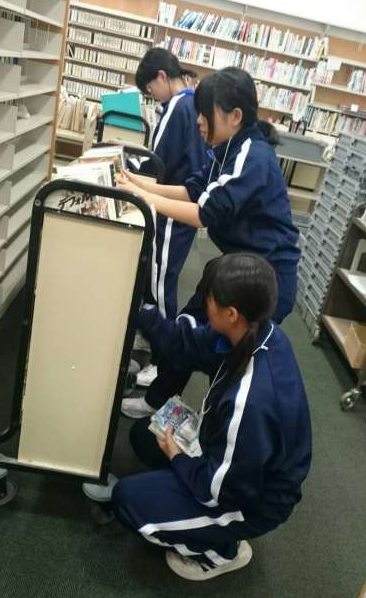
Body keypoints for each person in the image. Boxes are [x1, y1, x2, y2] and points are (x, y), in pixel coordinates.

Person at [112, 253, 312, 581]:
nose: (204, 304)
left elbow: (220, 491)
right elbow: (181, 343)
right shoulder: (254, 332)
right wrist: (136, 306)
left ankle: (220, 552)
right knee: (144, 436)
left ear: (231, 313)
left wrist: (178, 458)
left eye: (209, 299)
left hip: (250, 500)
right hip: (229, 458)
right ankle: (200, 516)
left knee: (127, 500)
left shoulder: (251, 402)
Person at [120, 66, 300, 419]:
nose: (199, 121)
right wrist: (139, 185)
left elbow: (204, 213)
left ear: (235, 116)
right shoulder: (228, 148)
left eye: (205, 113)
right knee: (188, 324)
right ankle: (158, 402)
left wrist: (144, 199)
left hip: (265, 281)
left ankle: (212, 430)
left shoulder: (252, 156)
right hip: (237, 267)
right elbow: (193, 189)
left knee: (224, 354)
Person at [131, 47, 206, 386]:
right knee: (162, 276)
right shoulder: (192, 103)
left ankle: (163, 358)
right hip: (180, 202)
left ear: (162, 77)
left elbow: (156, 160)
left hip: (171, 209)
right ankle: (155, 340)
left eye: (151, 90)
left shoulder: (178, 105)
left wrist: (130, 171)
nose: (153, 96)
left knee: (161, 281)